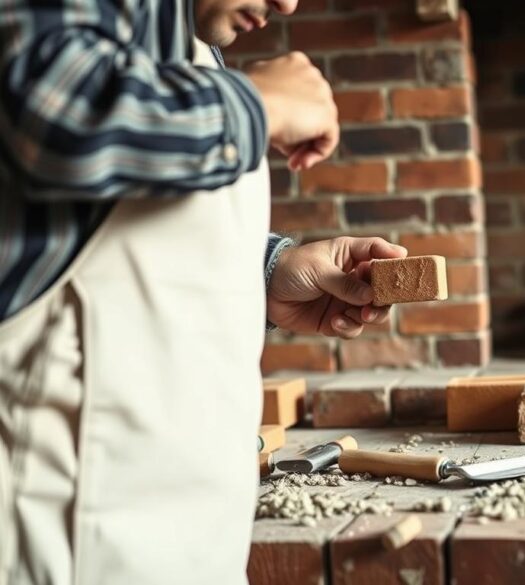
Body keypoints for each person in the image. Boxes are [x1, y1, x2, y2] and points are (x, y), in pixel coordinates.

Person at [0, 1, 404, 583]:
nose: (287, 3)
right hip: (57, 539)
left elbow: (122, 235)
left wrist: (269, 271)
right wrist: (256, 101)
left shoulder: (196, 48)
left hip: (190, 542)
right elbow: (49, 112)